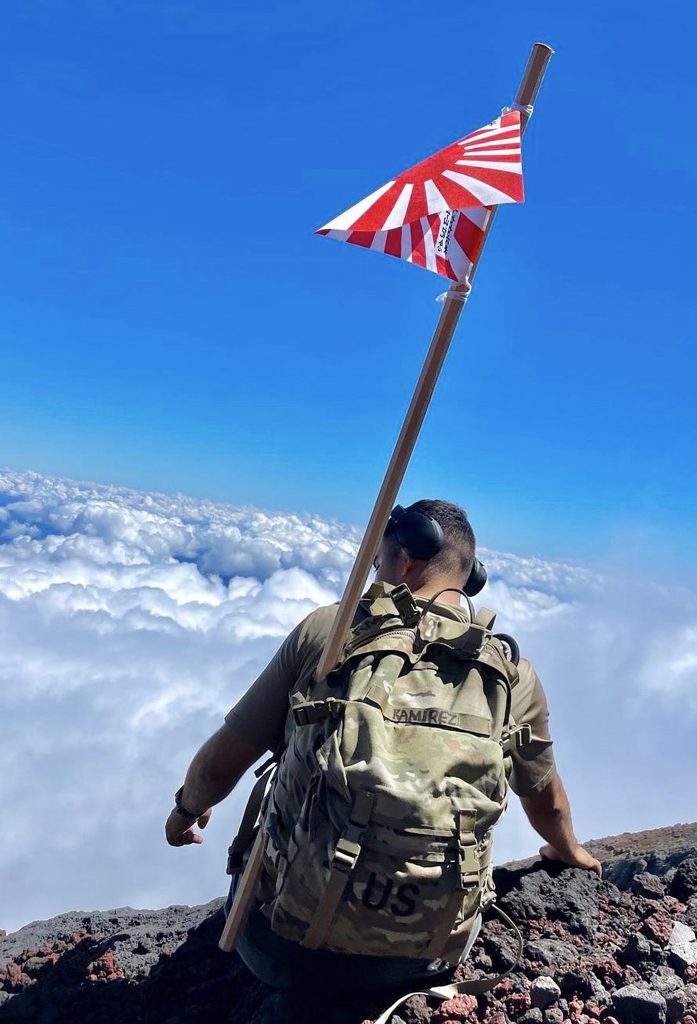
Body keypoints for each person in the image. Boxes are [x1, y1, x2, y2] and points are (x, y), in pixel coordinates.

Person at [165, 498, 601, 995]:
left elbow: (220, 767)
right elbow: (544, 798)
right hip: (423, 959)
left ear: (406, 560)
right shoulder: (511, 674)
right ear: (469, 575)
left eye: (379, 559)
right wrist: (568, 851)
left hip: (280, 950)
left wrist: (184, 811)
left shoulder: (330, 632)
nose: (373, 570)